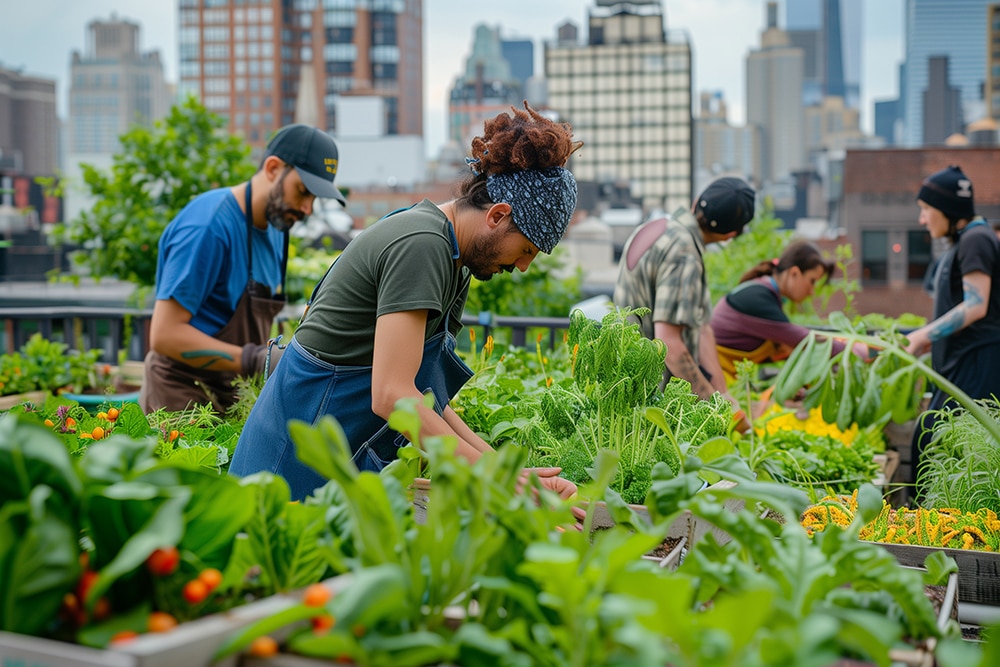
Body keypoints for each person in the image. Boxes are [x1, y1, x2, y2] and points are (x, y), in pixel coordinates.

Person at [229, 103, 582, 501]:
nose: (521, 266)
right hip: (287, 467)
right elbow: (392, 395)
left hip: (332, 462)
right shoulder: (422, 244)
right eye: (526, 250)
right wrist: (494, 476)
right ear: (498, 215)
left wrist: (506, 471)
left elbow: (424, 395)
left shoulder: (453, 259)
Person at [139, 124, 346, 414]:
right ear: (273, 168)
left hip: (236, 397)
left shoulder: (277, 228)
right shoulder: (209, 226)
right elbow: (164, 335)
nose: (308, 209)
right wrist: (255, 360)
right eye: (303, 191)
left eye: (315, 199)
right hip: (179, 400)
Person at [613, 176, 755, 428]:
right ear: (730, 234)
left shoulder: (659, 226)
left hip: (623, 386)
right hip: (651, 404)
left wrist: (723, 395)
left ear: (696, 203)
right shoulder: (684, 252)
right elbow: (670, 343)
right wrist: (717, 409)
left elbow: (702, 327)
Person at [905, 166, 1000, 489]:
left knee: (933, 449)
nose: (922, 220)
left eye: (926, 210)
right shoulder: (971, 240)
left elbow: (977, 305)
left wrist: (921, 335)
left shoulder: (976, 239)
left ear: (948, 211)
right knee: (931, 446)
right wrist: (929, 340)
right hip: (962, 369)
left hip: (974, 370)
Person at [711, 240, 866, 383]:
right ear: (794, 273)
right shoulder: (758, 299)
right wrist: (852, 350)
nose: (812, 291)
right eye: (812, 281)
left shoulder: (763, 292)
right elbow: (803, 340)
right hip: (714, 379)